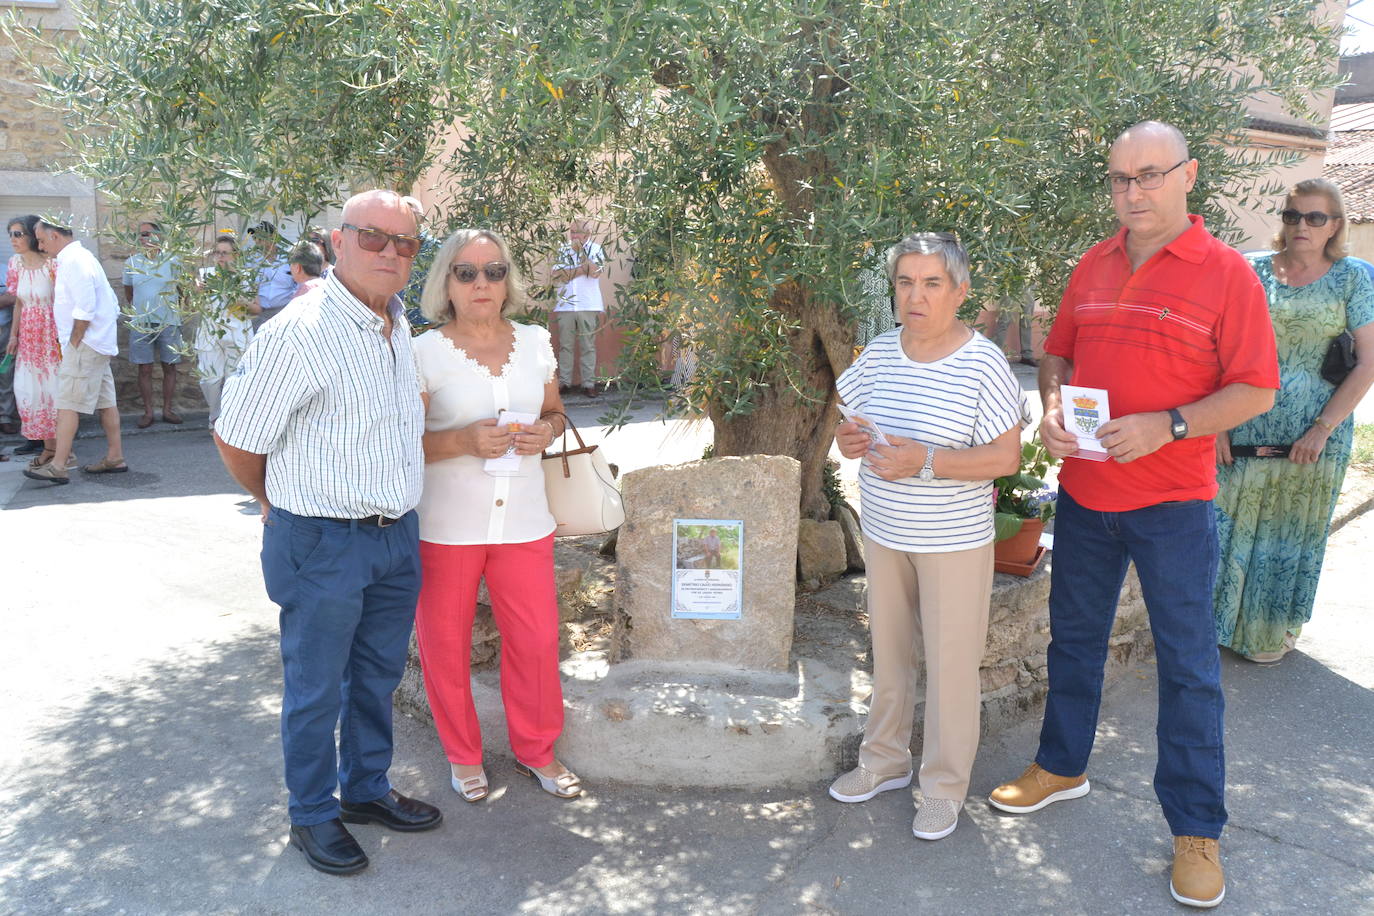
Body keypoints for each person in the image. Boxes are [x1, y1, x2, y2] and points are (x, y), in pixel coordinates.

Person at [987, 121, 1279, 910]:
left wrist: (1170, 424)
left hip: (1175, 504)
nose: (1133, 191)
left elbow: (1257, 390)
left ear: (1189, 175)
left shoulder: (1228, 275)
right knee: (1073, 640)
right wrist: (1053, 406)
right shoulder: (1094, 262)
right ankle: (1061, 766)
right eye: (1120, 178)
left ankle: (1196, 829)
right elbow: (1057, 353)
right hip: (1086, 494)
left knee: (1187, 667)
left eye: (1149, 174)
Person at [213, 190, 441, 876]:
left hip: (395, 536)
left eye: (406, 243)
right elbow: (237, 438)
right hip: (321, 541)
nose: (390, 252)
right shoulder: (300, 331)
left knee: (375, 676)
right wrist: (269, 500)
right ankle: (311, 813)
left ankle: (365, 789)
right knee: (315, 689)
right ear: (338, 241)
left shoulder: (396, 321)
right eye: (374, 237)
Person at [828, 231, 1024, 843]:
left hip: (953, 543)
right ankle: (884, 761)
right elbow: (849, 428)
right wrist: (847, 441)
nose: (916, 296)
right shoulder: (880, 353)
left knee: (951, 668)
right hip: (885, 532)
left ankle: (943, 788)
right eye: (905, 282)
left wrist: (928, 462)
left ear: (960, 291)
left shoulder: (983, 363)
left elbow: (1006, 457)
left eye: (932, 283)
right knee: (889, 656)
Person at [410, 228, 582, 804]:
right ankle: (462, 755)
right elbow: (401, 443)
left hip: (525, 521)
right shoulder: (423, 352)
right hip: (446, 528)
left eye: (494, 271)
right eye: (466, 272)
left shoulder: (535, 342)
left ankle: (538, 750)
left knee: (536, 642)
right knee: (444, 647)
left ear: (508, 281)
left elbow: (556, 412)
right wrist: (461, 441)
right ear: (446, 283)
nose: (481, 283)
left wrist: (545, 433)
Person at [1213, 179, 1374, 663]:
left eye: (1315, 217)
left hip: (1314, 435)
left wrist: (1322, 428)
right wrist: (1217, 423)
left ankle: (1268, 633)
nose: (1301, 225)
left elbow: (1368, 363)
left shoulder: (1353, 278)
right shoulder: (1250, 270)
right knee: (1224, 524)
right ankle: (1213, 629)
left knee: (1289, 533)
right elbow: (1219, 351)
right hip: (1243, 424)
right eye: (1292, 215)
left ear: (1335, 225)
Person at [24, 220, 127, 484]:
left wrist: (74, 343)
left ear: (55, 236)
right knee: (106, 403)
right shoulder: (83, 258)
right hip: (96, 345)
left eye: (42, 240)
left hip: (85, 346)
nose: (40, 246)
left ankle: (58, 465)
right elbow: (112, 303)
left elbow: (85, 308)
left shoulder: (74, 261)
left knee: (67, 404)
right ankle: (115, 457)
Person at [5, 215, 62, 464]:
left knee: (52, 390)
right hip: (28, 337)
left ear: (31, 235)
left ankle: (61, 450)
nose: (13, 239)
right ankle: (46, 447)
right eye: (10, 234)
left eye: (18, 234)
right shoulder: (14, 264)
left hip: (50, 335)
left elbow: (63, 302)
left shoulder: (52, 264)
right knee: (28, 389)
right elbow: (18, 302)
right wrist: (13, 335)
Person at [123, 221, 185, 428]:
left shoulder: (173, 261)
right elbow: (129, 293)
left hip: (169, 321)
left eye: (148, 234)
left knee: (170, 366)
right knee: (144, 369)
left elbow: (182, 290)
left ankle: (167, 410)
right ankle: (148, 412)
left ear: (159, 236)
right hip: (141, 322)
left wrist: (176, 311)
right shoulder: (131, 262)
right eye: (141, 235)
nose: (144, 238)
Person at [194, 232, 259, 428]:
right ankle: (215, 415)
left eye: (225, 253)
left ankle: (230, 421)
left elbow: (257, 309)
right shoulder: (205, 275)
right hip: (210, 333)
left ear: (235, 255)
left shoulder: (245, 277)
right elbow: (189, 305)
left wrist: (236, 299)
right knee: (209, 379)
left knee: (235, 379)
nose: (220, 257)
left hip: (237, 333)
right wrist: (196, 292)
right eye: (217, 252)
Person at [551, 218, 606, 397]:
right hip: (565, 305)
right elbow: (558, 276)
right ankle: (564, 382)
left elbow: (595, 272)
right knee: (565, 346)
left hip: (588, 304)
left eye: (578, 232)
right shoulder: (562, 249)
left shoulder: (596, 249)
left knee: (588, 345)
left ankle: (588, 383)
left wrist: (581, 254)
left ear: (587, 234)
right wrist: (583, 269)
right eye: (572, 231)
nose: (574, 235)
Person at [248, 220, 295, 328]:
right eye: (255, 238)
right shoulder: (252, 261)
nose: (257, 241)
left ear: (273, 237)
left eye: (260, 237)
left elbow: (298, 284)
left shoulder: (288, 258)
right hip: (259, 315)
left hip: (284, 313)